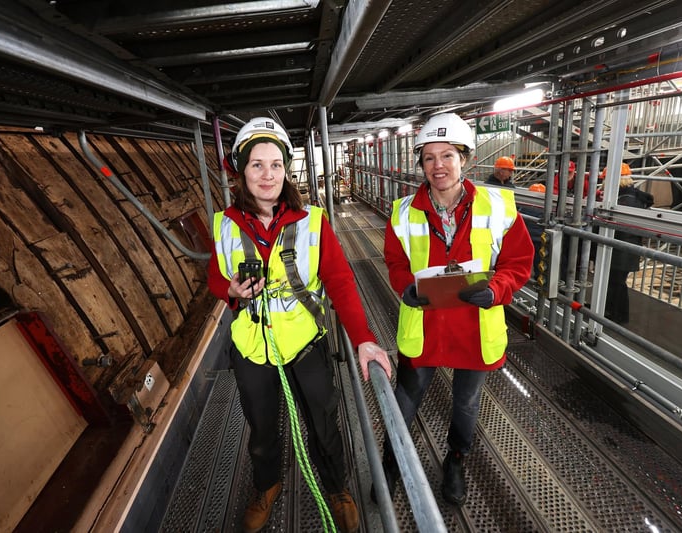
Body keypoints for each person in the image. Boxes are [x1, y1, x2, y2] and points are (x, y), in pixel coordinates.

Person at [207, 117, 391, 533]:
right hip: (253, 346)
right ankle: (267, 485)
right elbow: (214, 279)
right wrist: (232, 291)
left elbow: (341, 281)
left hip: (305, 343)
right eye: (257, 165)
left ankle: (335, 487)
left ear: (286, 170)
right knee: (260, 424)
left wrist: (363, 339)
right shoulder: (223, 224)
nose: (267, 175)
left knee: (324, 422)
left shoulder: (311, 221)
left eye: (275, 165)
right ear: (241, 171)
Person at [378, 113, 533, 506]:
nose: (438, 166)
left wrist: (497, 289)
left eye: (447, 155)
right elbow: (396, 262)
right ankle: (391, 465)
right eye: (429, 157)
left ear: (464, 158)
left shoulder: (498, 206)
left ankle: (456, 460)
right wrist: (405, 287)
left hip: (475, 326)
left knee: (465, 404)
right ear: (421, 164)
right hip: (425, 323)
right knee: (405, 401)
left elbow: (519, 262)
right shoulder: (403, 212)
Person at [603, 163, 654, 324]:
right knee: (614, 282)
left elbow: (620, 227)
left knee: (617, 283)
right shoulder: (628, 197)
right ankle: (611, 310)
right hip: (623, 248)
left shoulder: (626, 200)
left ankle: (618, 316)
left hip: (622, 249)